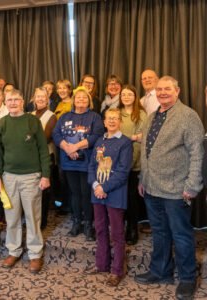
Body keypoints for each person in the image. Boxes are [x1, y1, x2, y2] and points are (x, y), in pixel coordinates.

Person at [135, 76, 204, 300]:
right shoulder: (153, 116)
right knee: (159, 233)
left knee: (181, 235)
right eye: (159, 89)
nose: (162, 92)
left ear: (178, 90)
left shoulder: (188, 116)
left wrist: (193, 185)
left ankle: (187, 278)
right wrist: (143, 179)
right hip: (152, 187)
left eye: (167, 89)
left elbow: (197, 153)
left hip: (177, 189)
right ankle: (160, 271)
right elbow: (147, 150)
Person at [0, 89, 50, 274]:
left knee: (33, 217)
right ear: (5, 102)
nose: (12, 103)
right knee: (12, 217)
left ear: (23, 101)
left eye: (16, 100)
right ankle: (14, 251)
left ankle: (34, 254)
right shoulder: (2, 123)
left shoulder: (33, 121)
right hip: (9, 178)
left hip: (31, 177)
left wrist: (45, 175)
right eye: (9, 100)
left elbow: (43, 150)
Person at [86, 108, 132, 286]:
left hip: (115, 194)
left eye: (115, 118)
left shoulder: (125, 143)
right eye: (109, 118)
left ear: (120, 121)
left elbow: (123, 171)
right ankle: (102, 264)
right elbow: (91, 166)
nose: (112, 121)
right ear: (104, 122)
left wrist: (104, 187)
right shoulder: (99, 140)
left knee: (117, 233)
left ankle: (117, 270)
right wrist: (96, 186)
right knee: (100, 229)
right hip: (97, 193)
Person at [53, 87, 104, 241]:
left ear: (89, 101)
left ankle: (88, 223)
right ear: (73, 100)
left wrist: (75, 146)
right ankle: (76, 222)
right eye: (78, 98)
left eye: (84, 98)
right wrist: (68, 148)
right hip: (69, 162)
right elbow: (56, 134)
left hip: (87, 162)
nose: (81, 100)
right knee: (74, 193)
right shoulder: (64, 117)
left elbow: (97, 135)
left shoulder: (94, 117)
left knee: (86, 193)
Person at [118, 85, 147, 245]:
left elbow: (144, 136)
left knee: (132, 198)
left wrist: (128, 138)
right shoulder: (116, 112)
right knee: (119, 197)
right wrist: (133, 137)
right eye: (124, 94)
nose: (126, 97)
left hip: (135, 161)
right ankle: (119, 228)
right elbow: (111, 133)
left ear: (135, 97)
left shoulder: (141, 114)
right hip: (117, 161)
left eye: (130, 94)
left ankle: (132, 228)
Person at [31, 87, 57, 229]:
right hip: (30, 158)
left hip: (46, 157)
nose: (40, 99)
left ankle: (42, 221)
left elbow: (45, 137)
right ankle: (32, 218)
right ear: (34, 99)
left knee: (43, 190)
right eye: (37, 97)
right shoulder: (30, 114)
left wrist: (28, 140)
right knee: (32, 190)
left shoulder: (51, 116)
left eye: (43, 97)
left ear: (47, 100)